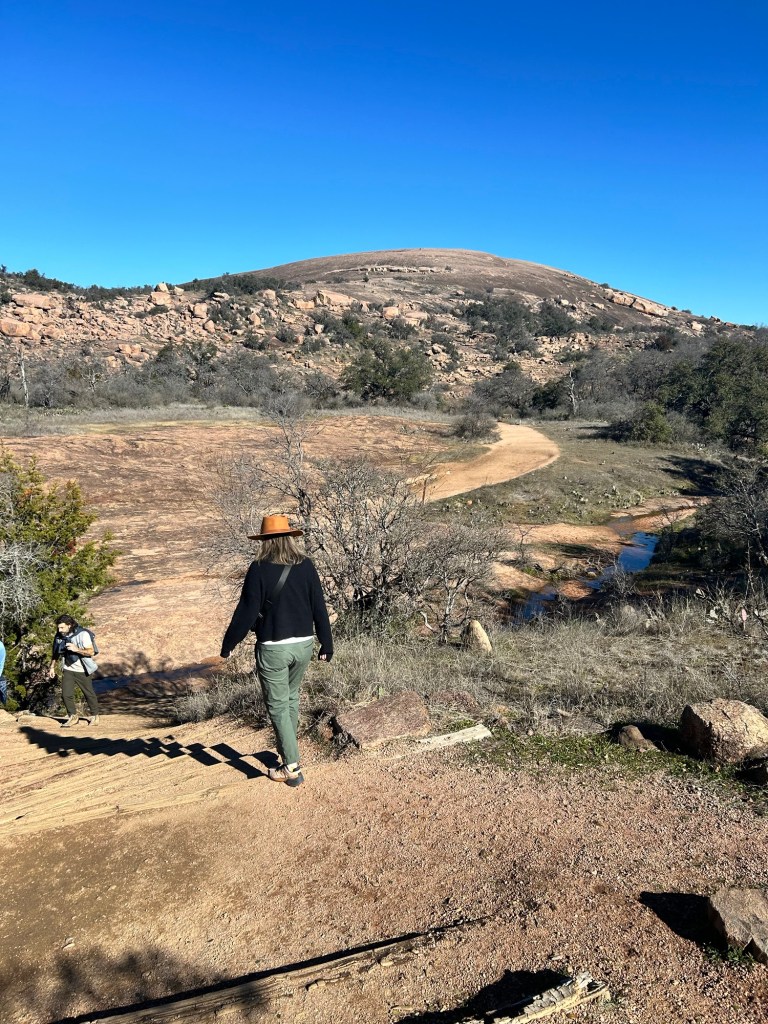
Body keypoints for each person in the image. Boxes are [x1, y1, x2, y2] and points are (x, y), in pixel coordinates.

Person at [220, 514, 333, 788]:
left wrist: (228, 645)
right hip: (304, 645)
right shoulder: (306, 565)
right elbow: (319, 606)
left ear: (264, 541)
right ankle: (288, 754)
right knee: (290, 699)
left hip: (273, 648)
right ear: (289, 537)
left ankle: (291, 767)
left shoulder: (259, 568)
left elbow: (246, 611)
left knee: (279, 705)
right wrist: (327, 643)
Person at [49, 614, 100, 727]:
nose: (59, 630)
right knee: (66, 694)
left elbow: (91, 652)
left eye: (62, 627)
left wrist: (77, 649)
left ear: (69, 625)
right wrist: (52, 667)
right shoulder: (59, 636)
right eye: (58, 627)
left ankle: (95, 716)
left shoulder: (83, 634)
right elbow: (55, 652)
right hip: (68, 668)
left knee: (88, 693)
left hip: (82, 669)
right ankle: (73, 716)